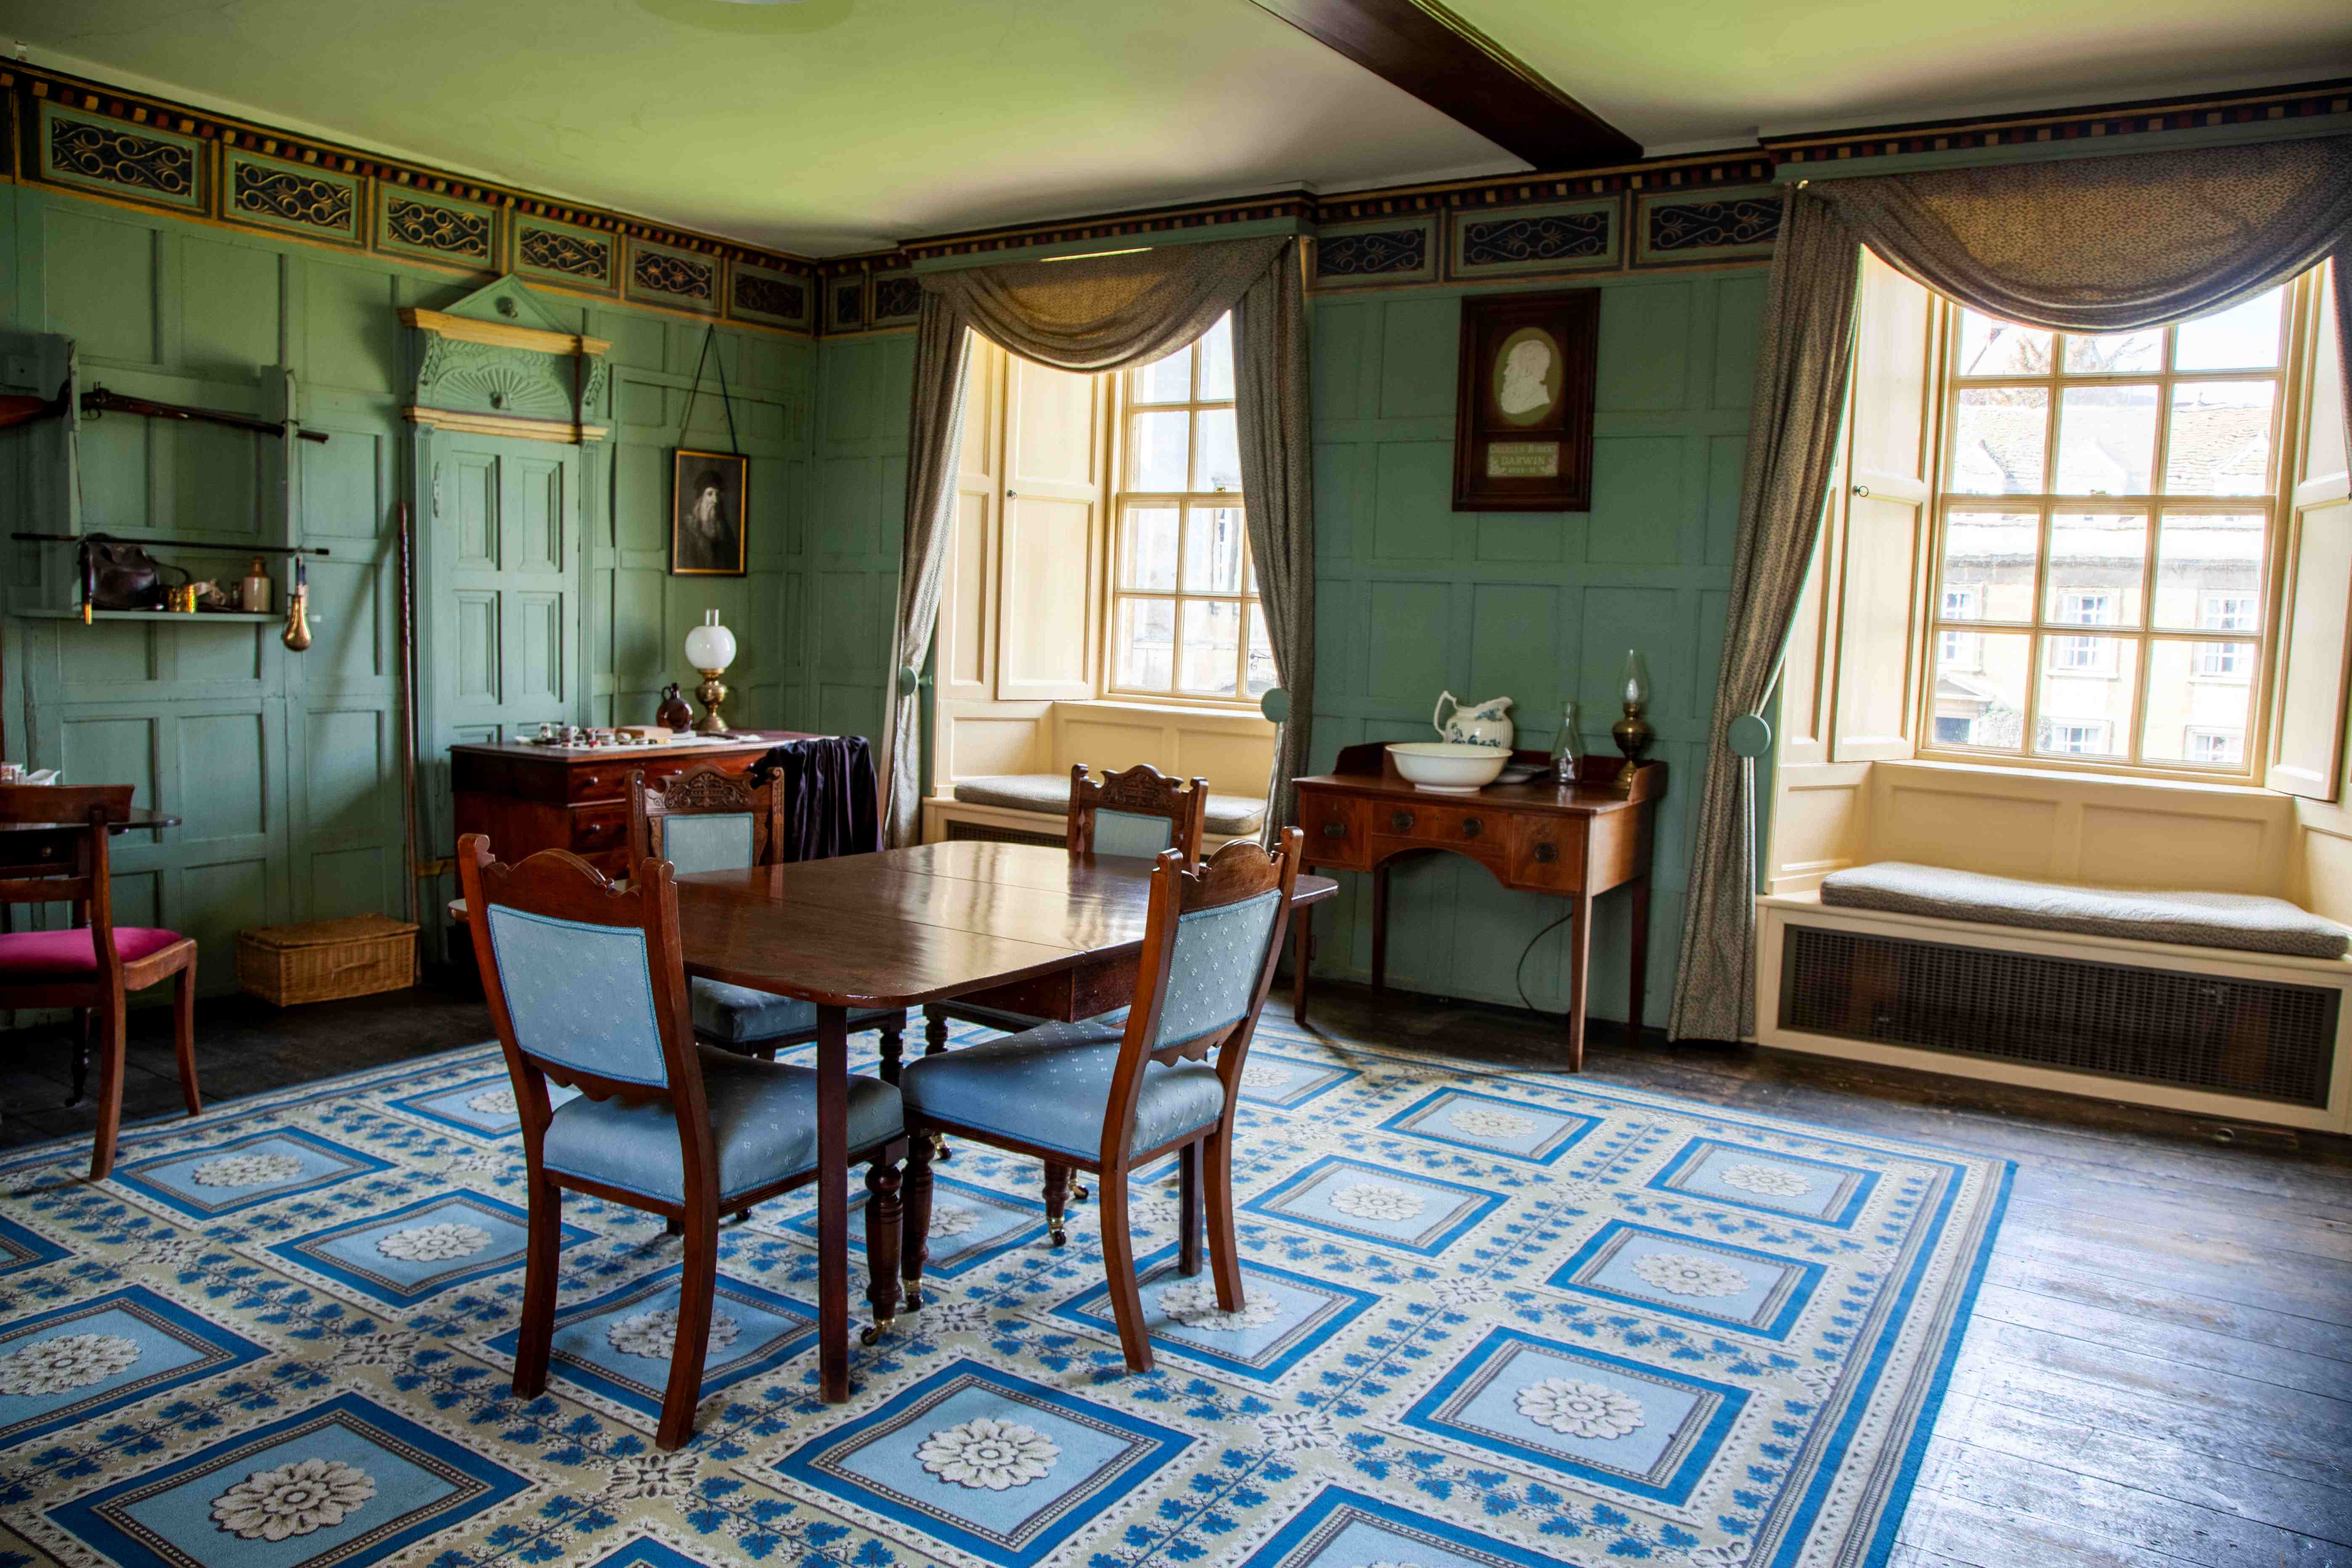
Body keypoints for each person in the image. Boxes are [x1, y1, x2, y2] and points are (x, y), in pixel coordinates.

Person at [677, 467, 736, 571]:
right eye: (710, 494)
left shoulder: (726, 533)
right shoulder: (686, 534)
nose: (715, 500)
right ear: (700, 501)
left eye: (718, 495)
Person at [1497, 335, 1555, 419]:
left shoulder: (1538, 399)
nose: (1505, 372)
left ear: (1528, 370)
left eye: (1511, 366)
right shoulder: (1515, 399)